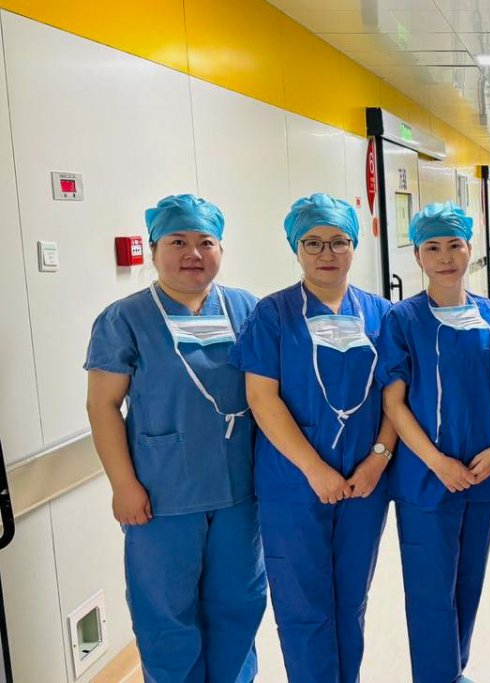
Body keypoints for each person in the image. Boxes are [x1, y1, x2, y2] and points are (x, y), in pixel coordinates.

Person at [85, 194, 266, 681]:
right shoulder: (126, 318)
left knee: (239, 604)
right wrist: (124, 485)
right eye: (178, 242)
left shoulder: (246, 308)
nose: (193, 253)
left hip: (239, 491)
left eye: (206, 242)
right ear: (153, 249)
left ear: (221, 249)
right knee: (166, 615)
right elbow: (102, 406)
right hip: (162, 496)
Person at [230, 192, 395, 683]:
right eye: (313, 242)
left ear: (354, 246)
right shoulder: (273, 314)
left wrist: (378, 458)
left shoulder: (381, 314)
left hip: (365, 479)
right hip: (294, 482)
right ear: (296, 248)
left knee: (352, 598)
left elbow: (396, 396)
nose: (327, 253)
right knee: (304, 604)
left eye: (338, 241)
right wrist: (315, 469)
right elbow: (262, 398)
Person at [377, 202, 490, 683]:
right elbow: (394, 403)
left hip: (484, 469)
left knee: (469, 581)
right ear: (417, 257)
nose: (445, 256)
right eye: (432, 247)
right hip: (426, 475)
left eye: (454, 245)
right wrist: (436, 462)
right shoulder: (403, 319)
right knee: (431, 589)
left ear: (471, 250)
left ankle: (454, 670)